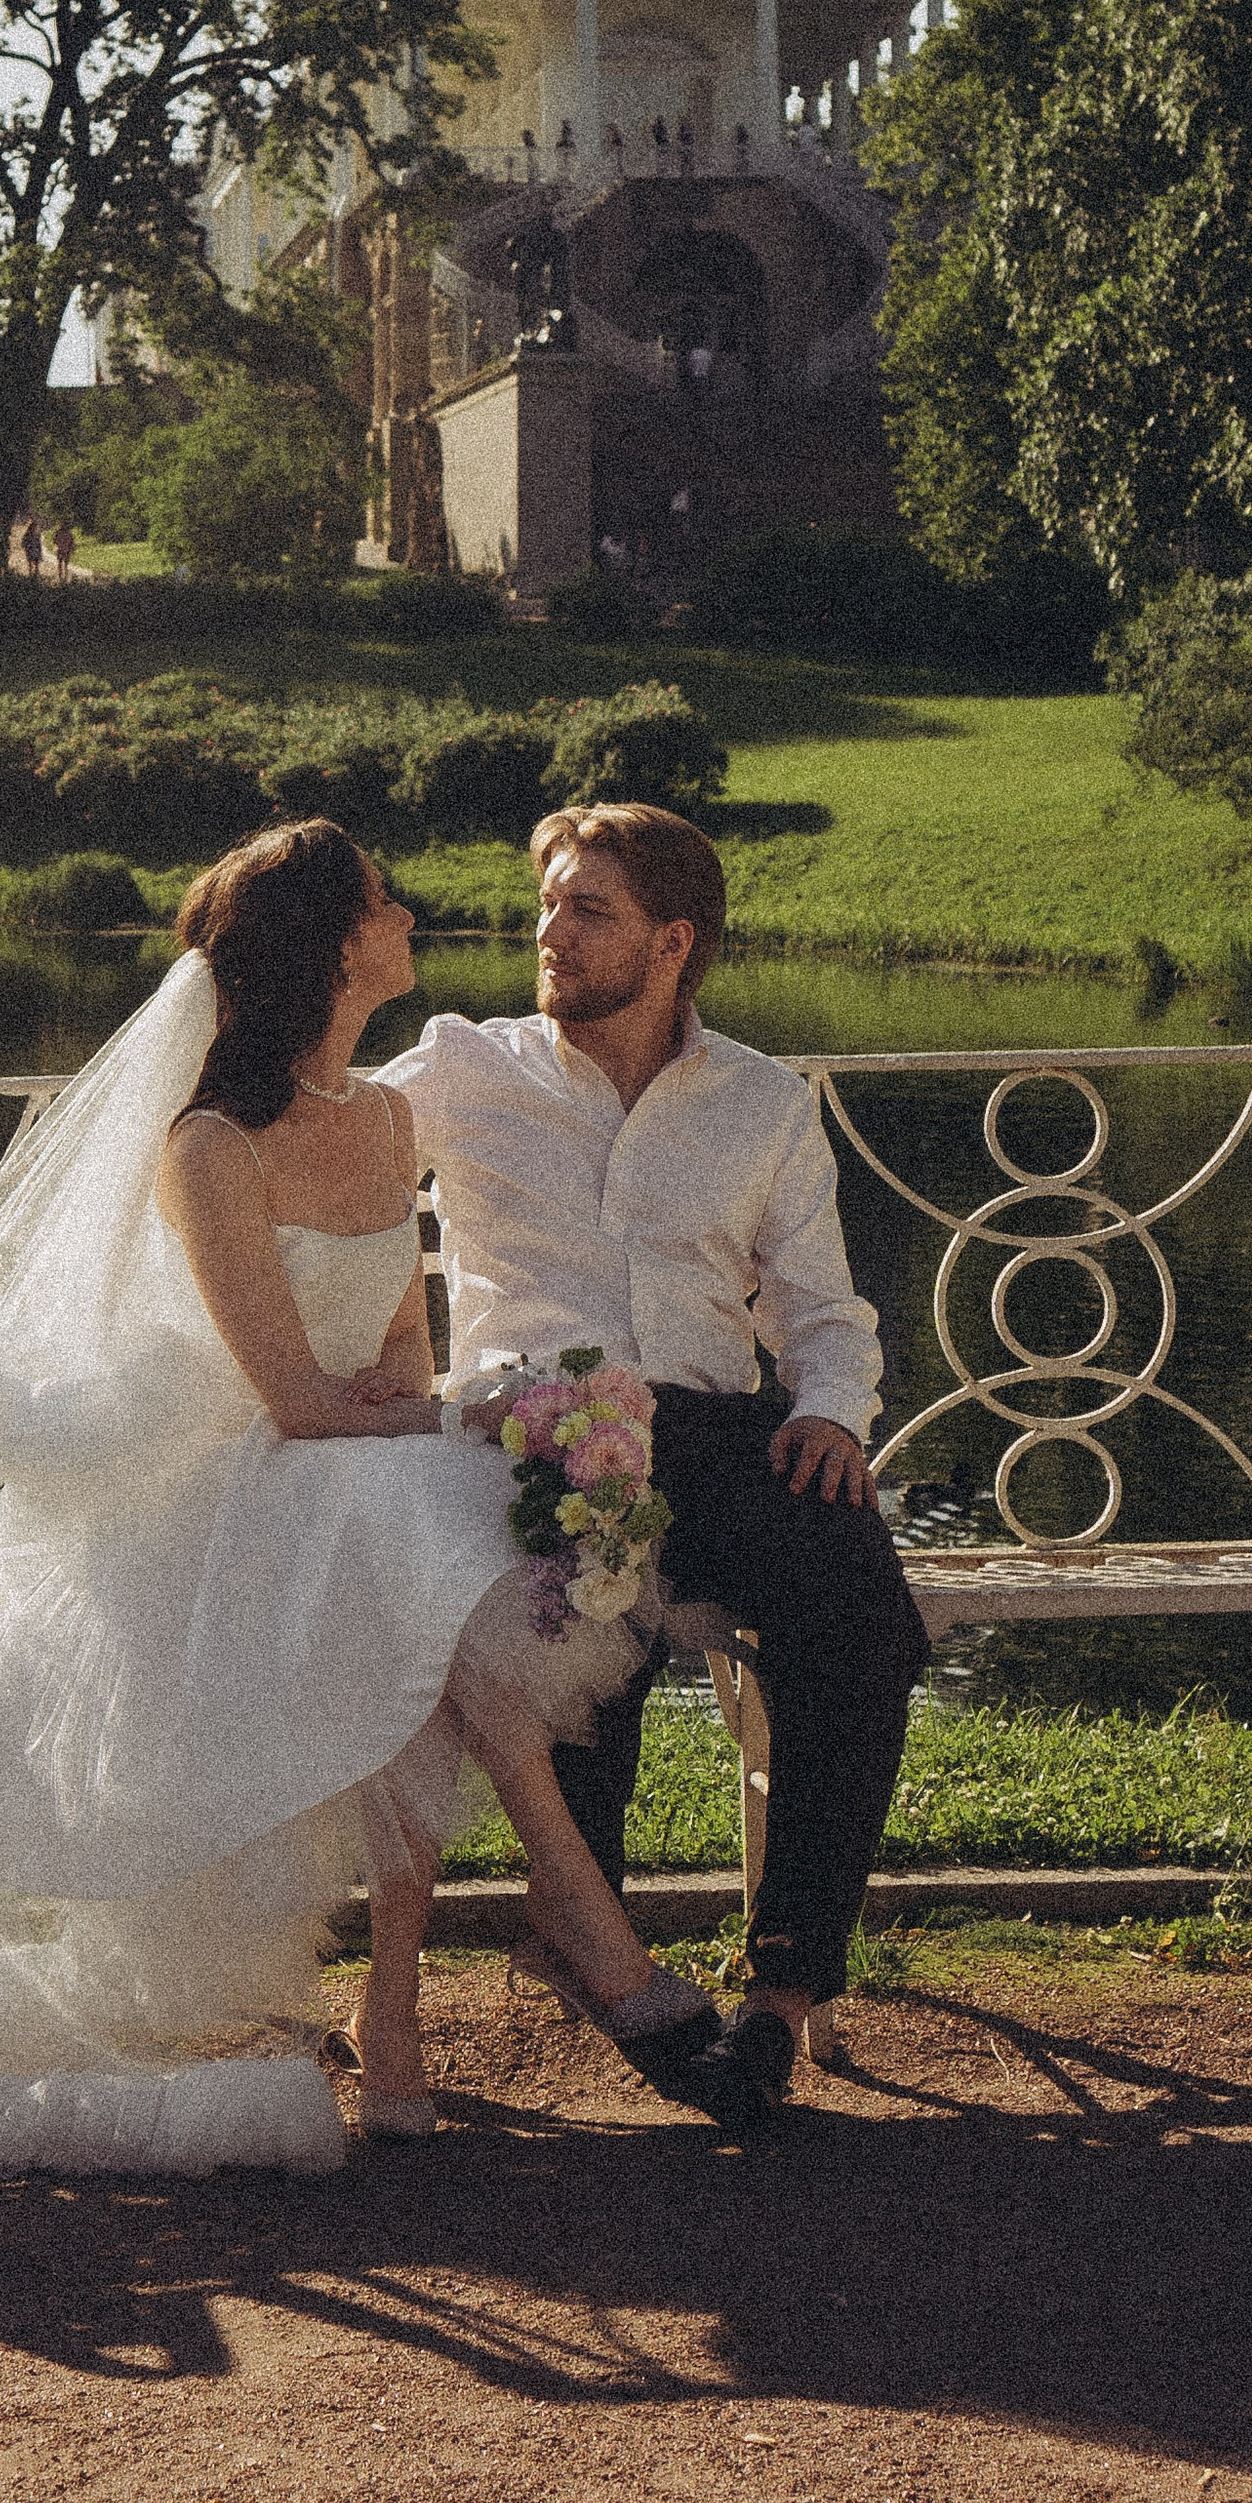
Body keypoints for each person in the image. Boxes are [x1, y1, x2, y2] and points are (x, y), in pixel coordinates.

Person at [0, 819, 743, 2175]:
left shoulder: (388, 1119)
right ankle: (586, 1948)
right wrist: (466, 1416)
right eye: (383, 902)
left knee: (434, 1545)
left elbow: (395, 1361)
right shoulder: (211, 1143)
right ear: (337, 946)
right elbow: (290, 1398)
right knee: (425, 1549)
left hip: (348, 1474)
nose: (406, 916)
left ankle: (414, 2011)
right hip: (215, 1489)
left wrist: (452, 1413)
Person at [374, 803, 932, 2112]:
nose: (549, 934)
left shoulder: (762, 1102)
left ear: (674, 941)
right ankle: (588, 1935)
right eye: (548, 905)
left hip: (722, 1431)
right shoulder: (466, 1066)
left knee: (862, 1615)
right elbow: (323, 1161)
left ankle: (783, 1991)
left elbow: (822, 1308)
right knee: (576, 1603)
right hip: (534, 1430)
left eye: (589, 911)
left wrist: (831, 1414)